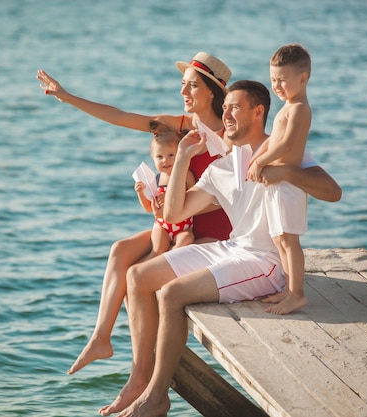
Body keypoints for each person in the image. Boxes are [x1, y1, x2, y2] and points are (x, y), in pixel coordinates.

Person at [100, 80, 340, 417]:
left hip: (266, 262)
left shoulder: (284, 150)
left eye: (234, 107)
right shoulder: (223, 166)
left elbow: (332, 191)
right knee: (138, 275)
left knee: (171, 294)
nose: (225, 113)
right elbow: (173, 213)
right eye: (224, 106)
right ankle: (139, 379)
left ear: (258, 112)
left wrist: (284, 171)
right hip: (232, 248)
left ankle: (157, 396)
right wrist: (182, 156)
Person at [38, 52, 235, 375]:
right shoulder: (181, 127)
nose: (183, 93)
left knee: (141, 276)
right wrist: (68, 97)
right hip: (179, 224)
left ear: (212, 91)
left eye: (192, 86)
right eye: (182, 85)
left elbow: (228, 196)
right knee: (120, 250)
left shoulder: (229, 138)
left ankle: (144, 374)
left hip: (214, 235)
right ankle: (101, 339)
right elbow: (121, 116)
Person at [246, 43, 313, 315]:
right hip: (276, 186)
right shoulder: (287, 107)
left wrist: (261, 160)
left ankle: (297, 294)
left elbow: (285, 145)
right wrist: (258, 154)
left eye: (282, 80)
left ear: (303, 78)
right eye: (273, 80)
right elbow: (273, 139)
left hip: (289, 186)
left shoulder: (298, 108)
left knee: (289, 240)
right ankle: (287, 289)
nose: (277, 86)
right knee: (278, 239)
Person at [135, 120, 196, 260]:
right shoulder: (155, 180)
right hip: (162, 226)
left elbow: (193, 197)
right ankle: (143, 269)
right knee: (157, 250)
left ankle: (167, 260)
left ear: (180, 154)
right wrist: (140, 193)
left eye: (171, 155)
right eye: (159, 157)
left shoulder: (186, 174)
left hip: (184, 227)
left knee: (186, 240)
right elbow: (149, 209)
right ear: (153, 158)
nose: (165, 161)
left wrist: (171, 196)